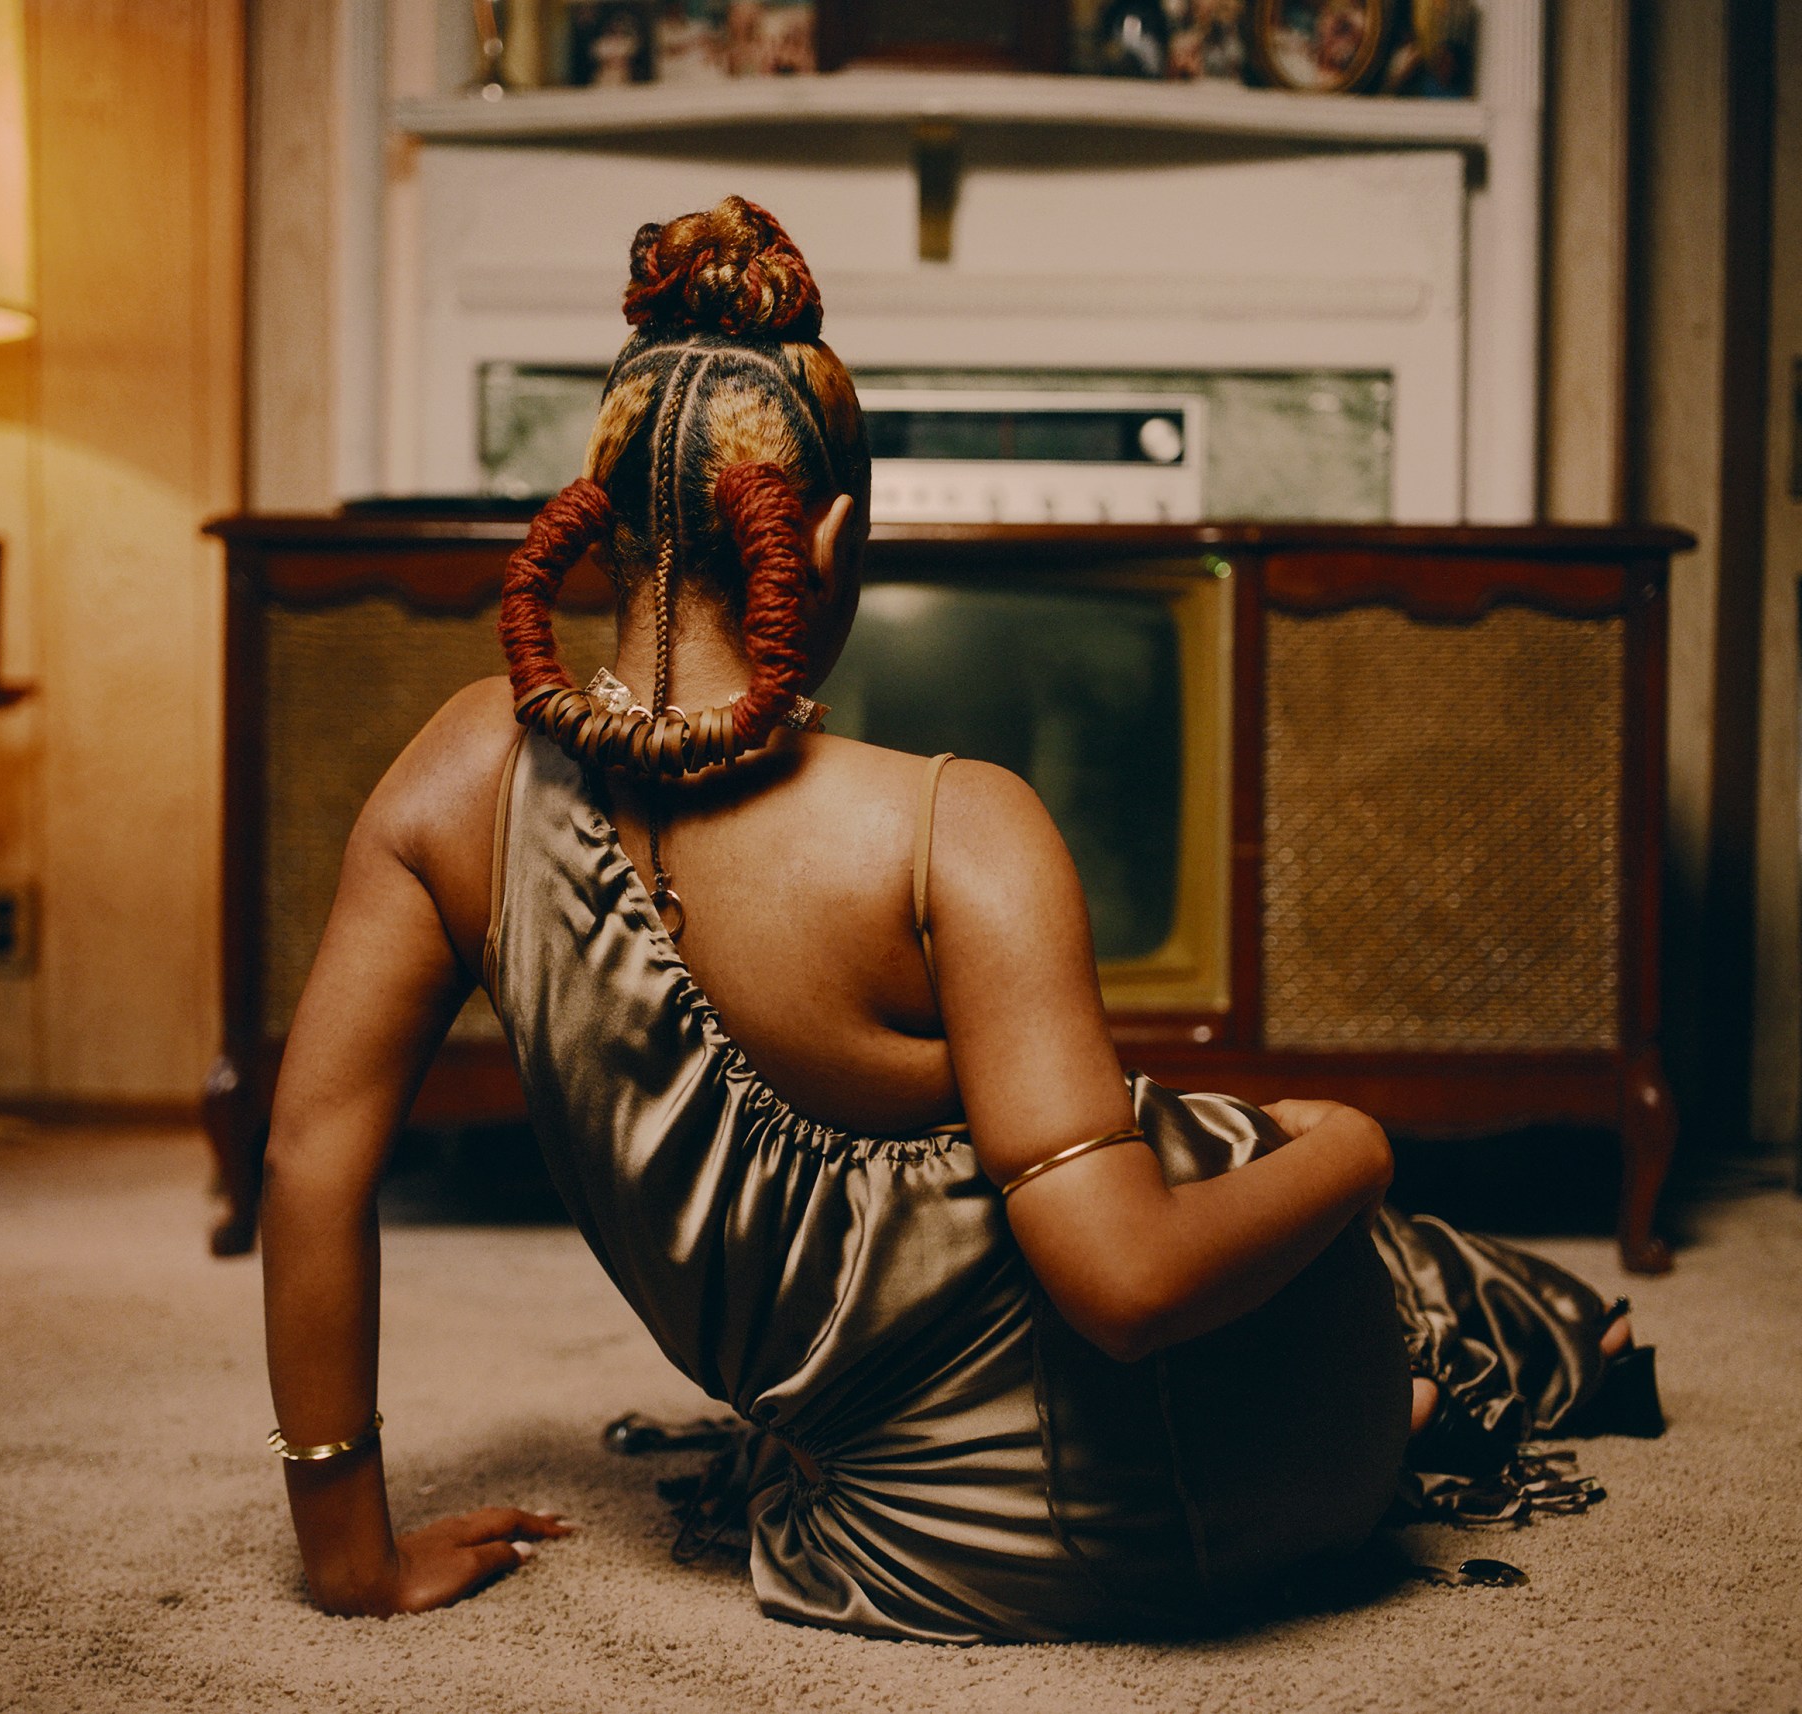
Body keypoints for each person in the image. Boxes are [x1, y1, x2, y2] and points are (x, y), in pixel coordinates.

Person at [261, 196, 1661, 1642]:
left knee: (1270, 1199)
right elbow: (1126, 1281)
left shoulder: (451, 780)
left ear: (594, 525)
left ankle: (1429, 1353)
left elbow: (310, 1156)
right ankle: (1432, 1366)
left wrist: (350, 1553)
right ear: (833, 536)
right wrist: (1359, 1142)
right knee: (1296, 1177)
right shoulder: (956, 826)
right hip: (1154, 1505)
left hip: (861, 1513)